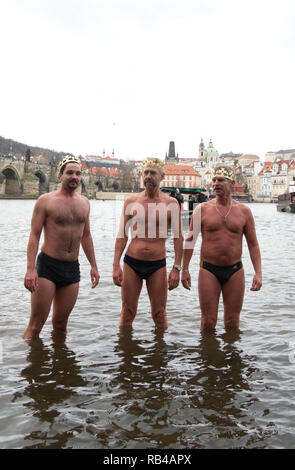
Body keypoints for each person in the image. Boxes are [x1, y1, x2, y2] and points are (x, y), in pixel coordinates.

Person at [23, 156, 100, 339]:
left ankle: (61, 365)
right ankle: (29, 365)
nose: (74, 176)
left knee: (61, 325)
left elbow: (86, 236)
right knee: (36, 325)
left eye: (78, 173)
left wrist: (94, 265)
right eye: (70, 173)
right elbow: (34, 235)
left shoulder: (84, 203)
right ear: (60, 175)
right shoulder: (45, 201)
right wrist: (30, 269)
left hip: (72, 268)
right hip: (48, 266)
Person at [181, 164, 262, 331]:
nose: (216, 184)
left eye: (220, 180)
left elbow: (253, 245)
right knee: (208, 321)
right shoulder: (202, 210)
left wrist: (258, 273)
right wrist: (184, 269)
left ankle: (231, 356)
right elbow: (190, 241)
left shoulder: (244, 212)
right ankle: (208, 355)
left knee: (232, 322)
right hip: (209, 270)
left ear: (231, 183)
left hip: (235, 270)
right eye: (214, 180)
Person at [113, 158, 183, 328]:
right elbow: (122, 235)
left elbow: (178, 237)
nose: (148, 176)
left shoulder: (171, 203)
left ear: (162, 176)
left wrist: (177, 268)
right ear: (141, 175)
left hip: (157, 264)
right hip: (132, 262)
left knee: (159, 314)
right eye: (146, 173)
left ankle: (160, 353)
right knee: (127, 312)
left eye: (153, 173)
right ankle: (125, 352)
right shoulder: (131, 202)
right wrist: (116, 264)